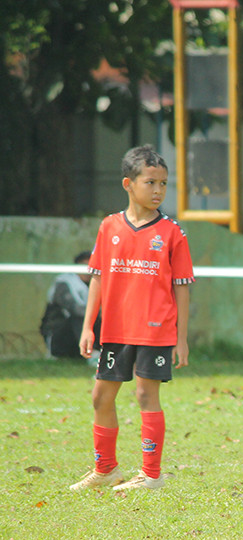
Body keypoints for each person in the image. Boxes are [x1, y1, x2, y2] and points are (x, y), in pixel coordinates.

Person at [70, 145, 195, 491]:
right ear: (128, 183)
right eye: (150, 182)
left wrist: (181, 338)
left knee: (144, 395)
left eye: (164, 184)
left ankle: (151, 475)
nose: (158, 191)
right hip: (116, 329)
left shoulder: (172, 234)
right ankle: (105, 469)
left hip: (155, 329)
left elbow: (182, 287)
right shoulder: (109, 226)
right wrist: (87, 326)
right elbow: (97, 276)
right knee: (100, 397)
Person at [40, 251, 99, 359]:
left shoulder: (96, 282)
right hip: (60, 336)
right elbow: (75, 309)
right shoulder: (64, 283)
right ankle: (93, 354)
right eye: (83, 266)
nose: (87, 271)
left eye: (90, 266)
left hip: (84, 336)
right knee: (80, 317)